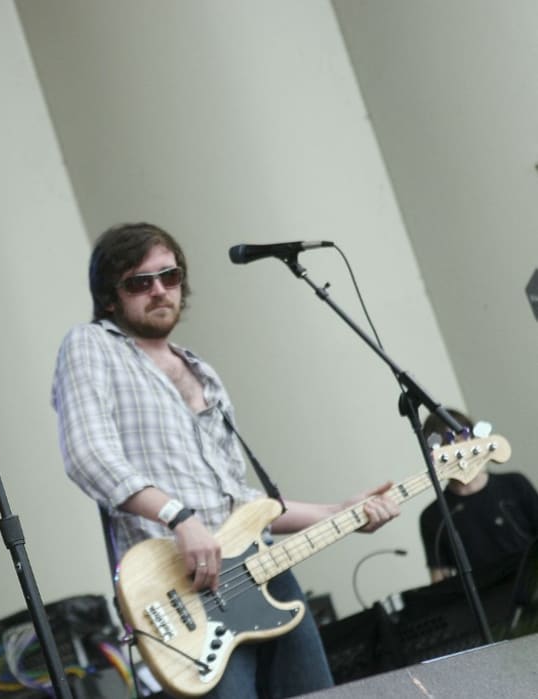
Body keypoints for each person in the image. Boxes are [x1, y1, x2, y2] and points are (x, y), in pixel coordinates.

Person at [51, 222, 400, 698]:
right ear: (111, 298)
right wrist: (181, 518)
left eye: (169, 277)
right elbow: (88, 455)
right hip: (182, 594)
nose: (159, 290)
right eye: (139, 282)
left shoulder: (203, 373)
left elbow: (241, 501)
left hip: (263, 577)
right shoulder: (91, 345)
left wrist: (339, 513)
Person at [419, 408, 538, 584]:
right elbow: (439, 579)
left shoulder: (514, 484)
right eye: (448, 449)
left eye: (462, 444)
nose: (459, 456)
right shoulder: (433, 516)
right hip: (488, 603)